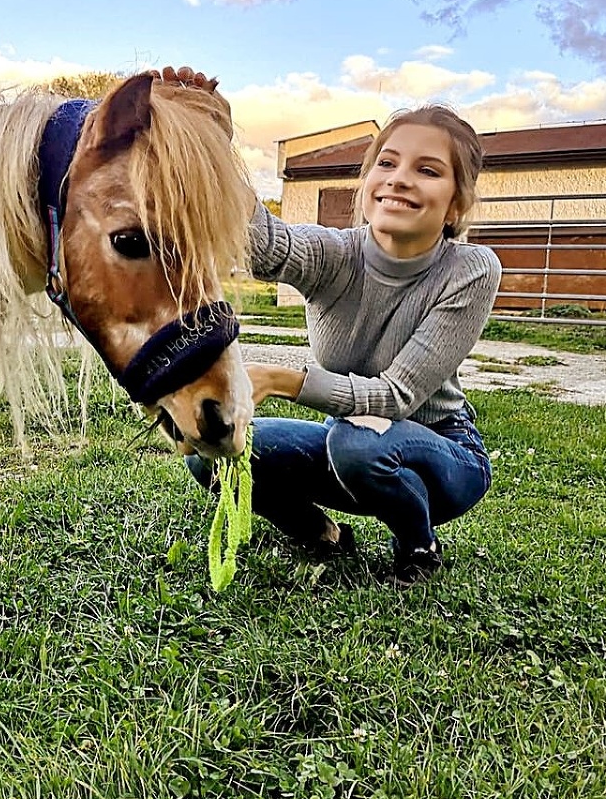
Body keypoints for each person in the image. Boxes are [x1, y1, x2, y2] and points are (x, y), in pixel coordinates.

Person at [188, 104, 502, 586]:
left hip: (444, 452)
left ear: (456, 204)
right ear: (367, 183)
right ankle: (322, 534)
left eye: (428, 170)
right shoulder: (336, 254)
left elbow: (396, 397)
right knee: (211, 449)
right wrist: (211, 145)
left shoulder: (471, 269)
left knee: (356, 444)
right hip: (348, 445)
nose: (399, 179)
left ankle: (419, 547)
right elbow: (265, 245)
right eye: (387, 163)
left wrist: (281, 379)